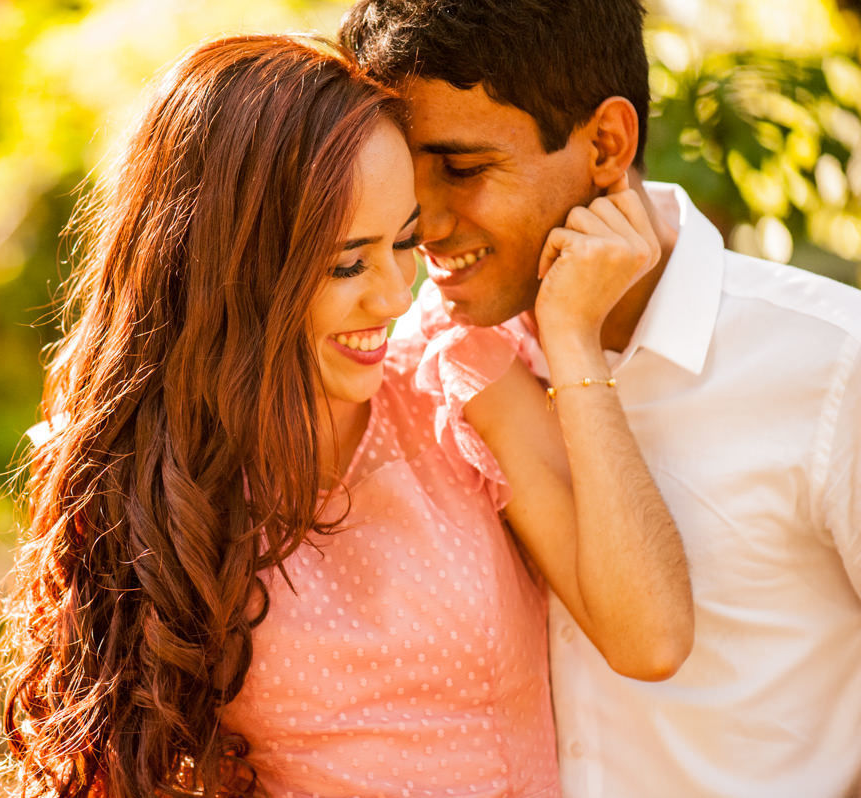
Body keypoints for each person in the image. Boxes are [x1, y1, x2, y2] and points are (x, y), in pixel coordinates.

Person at [0, 34, 692, 798]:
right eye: (348, 263)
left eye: (404, 242)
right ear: (237, 269)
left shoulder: (458, 376)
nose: (392, 296)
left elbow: (652, 636)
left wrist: (571, 337)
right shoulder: (153, 474)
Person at [340, 2, 861, 796]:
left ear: (607, 144)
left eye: (464, 167)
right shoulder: (425, 364)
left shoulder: (833, 364)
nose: (428, 223)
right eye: (407, 174)